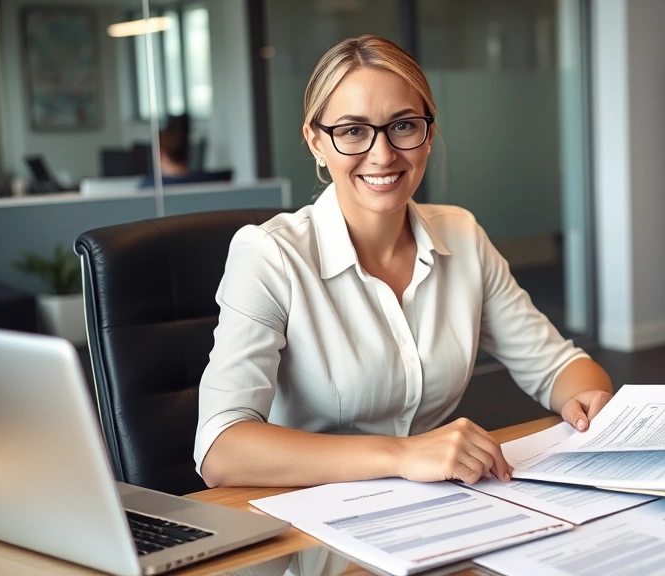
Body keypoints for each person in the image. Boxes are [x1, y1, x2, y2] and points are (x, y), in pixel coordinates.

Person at [194, 34, 613, 489]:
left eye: (403, 126)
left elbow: (556, 366)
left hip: (429, 509)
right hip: (312, 527)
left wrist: (590, 399)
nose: (383, 154)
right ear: (316, 142)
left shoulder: (462, 236)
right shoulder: (269, 255)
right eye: (353, 130)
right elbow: (220, 449)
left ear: (428, 134)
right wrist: (402, 454)